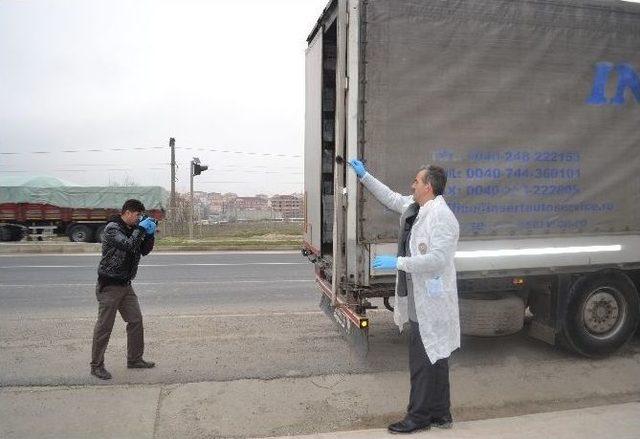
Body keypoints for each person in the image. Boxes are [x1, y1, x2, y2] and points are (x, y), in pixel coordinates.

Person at [348, 159, 460, 434]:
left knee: (424, 359)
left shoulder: (442, 217)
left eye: (416, 181)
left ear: (428, 186)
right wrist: (365, 176)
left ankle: (418, 417)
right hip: (418, 296)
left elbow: (436, 260)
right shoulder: (414, 208)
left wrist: (399, 262)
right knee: (435, 357)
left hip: (431, 301)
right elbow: (389, 197)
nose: (412, 184)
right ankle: (440, 414)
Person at [90, 199, 158, 380]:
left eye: (140, 216)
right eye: (137, 215)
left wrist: (150, 234)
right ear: (127, 212)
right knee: (104, 327)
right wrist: (141, 230)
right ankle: (96, 366)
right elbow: (128, 245)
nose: (138, 219)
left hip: (126, 285)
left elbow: (143, 250)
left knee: (135, 321)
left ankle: (134, 359)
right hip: (109, 286)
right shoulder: (112, 229)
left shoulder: (132, 229)